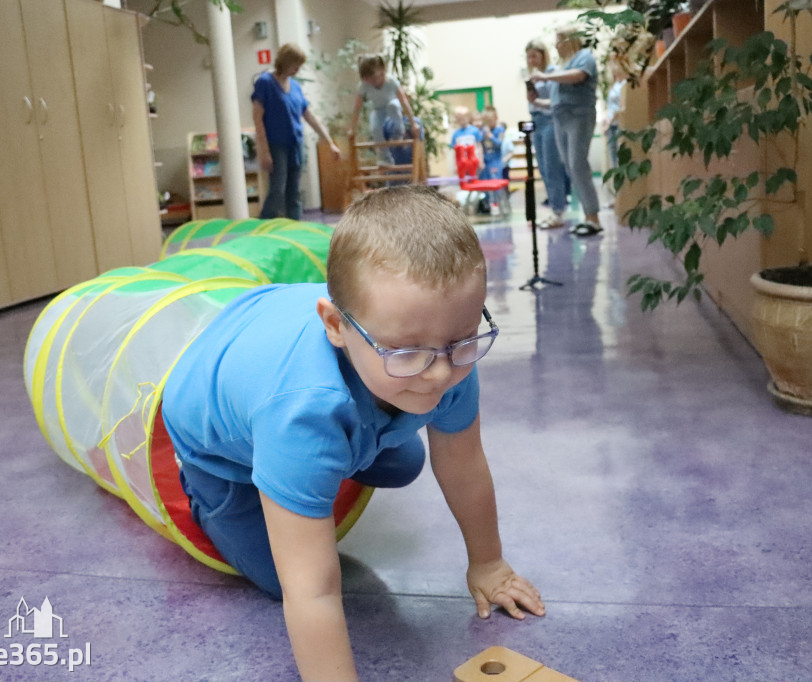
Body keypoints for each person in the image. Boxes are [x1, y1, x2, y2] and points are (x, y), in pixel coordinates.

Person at [161, 185, 545, 681]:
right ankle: (211, 493)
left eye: (463, 340)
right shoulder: (301, 414)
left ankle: (322, 463)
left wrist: (489, 563)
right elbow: (312, 590)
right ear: (337, 327)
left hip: (276, 333)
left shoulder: (444, 356)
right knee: (284, 578)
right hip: (213, 442)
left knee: (407, 461)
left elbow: (464, 464)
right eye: (406, 352)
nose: (439, 374)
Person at [252, 43, 340, 220]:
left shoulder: (295, 87)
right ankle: (262, 229)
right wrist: (264, 151)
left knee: (294, 191)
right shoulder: (265, 82)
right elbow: (258, 119)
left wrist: (330, 143)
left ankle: (295, 228)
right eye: (295, 65)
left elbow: (309, 116)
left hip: (295, 144)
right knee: (277, 189)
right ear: (285, 62)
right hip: (276, 145)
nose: (297, 70)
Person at [530, 26, 602, 236]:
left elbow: (578, 76)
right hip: (560, 118)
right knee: (570, 167)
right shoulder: (563, 66)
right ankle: (588, 216)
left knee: (578, 165)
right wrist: (537, 102)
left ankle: (593, 217)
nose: (556, 46)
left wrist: (546, 77)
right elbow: (555, 102)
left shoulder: (584, 57)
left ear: (571, 41)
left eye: (559, 41)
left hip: (579, 116)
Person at [524, 39, 570, 228]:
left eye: (535, 56)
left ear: (543, 55)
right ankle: (554, 208)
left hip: (550, 121)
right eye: (528, 57)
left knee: (552, 168)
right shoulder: (532, 76)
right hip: (536, 122)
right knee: (543, 168)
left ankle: (558, 211)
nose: (531, 60)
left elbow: (553, 100)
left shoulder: (551, 73)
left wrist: (536, 100)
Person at [349, 54, 418, 165]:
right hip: (379, 109)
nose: (372, 82)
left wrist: (413, 124)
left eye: (374, 78)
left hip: (394, 106)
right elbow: (357, 108)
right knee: (375, 128)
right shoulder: (363, 86)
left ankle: (399, 132)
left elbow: (404, 103)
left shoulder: (391, 82)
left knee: (392, 106)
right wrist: (352, 129)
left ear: (382, 72)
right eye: (368, 80)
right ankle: (386, 158)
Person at [479, 105, 506, 212]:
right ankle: (486, 204)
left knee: (496, 184)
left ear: (496, 118)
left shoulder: (500, 130)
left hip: (496, 161)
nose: (489, 124)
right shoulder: (483, 131)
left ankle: (498, 204)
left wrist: (490, 136)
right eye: (486, 121)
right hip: (485, 161)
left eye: (490, 121)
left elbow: (500, 144)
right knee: (484, 183)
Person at [604, 61, 626, 171]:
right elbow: (610, 106)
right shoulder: (615, 84)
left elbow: (621, 106)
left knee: (620, 153)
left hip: (619, 123)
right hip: (611, 124)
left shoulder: (625, 84)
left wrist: (610, 121)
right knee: (613, 153)